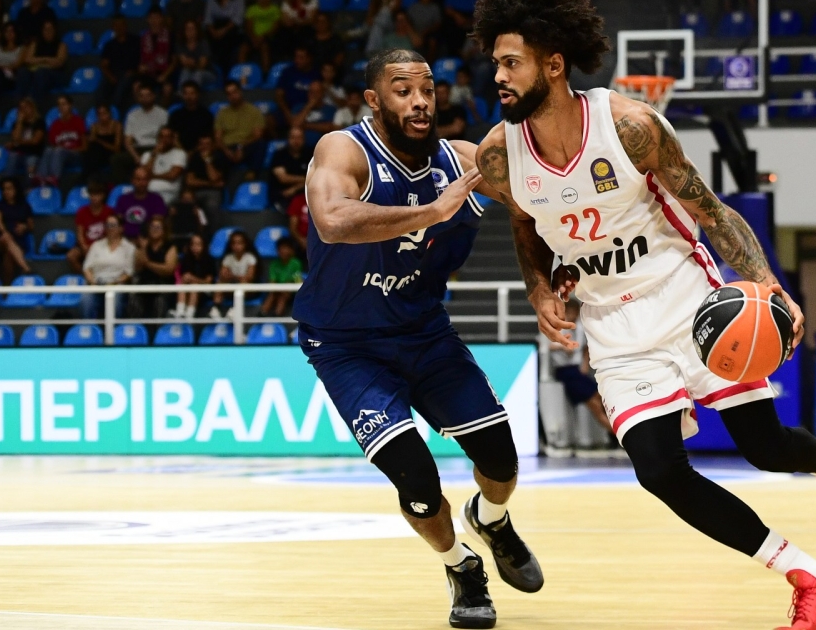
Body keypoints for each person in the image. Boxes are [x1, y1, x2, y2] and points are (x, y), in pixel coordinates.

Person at [471, 2, 816, 627]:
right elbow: (524, 224)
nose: (499, 76)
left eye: (511, 63)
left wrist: (768, 283)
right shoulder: (498, 154)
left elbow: (711, 211)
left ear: (554, 65)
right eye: (496, 64)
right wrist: (539, 287)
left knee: (765, 447)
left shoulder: (630, 127)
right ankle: (812, 577)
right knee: (659, 472)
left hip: (687, 297)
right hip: (612, 325)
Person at [294, 47, 542, 629]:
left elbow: (536, 205)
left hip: (424, 333)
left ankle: (492, 520)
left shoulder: (465, 160)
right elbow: (333, 221)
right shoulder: (343, 150)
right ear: (374, 100)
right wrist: (433, 211)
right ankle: (462, 567)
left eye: (428, 89)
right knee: (418, 483)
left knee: (501, 459)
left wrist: (542, 280)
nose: (420, 101)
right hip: (347, 346)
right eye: (403, 91)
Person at [549, 299, 615, 444]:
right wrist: (563, 346)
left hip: (577, 371)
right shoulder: (558, 327)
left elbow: (585, 348)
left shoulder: (579, 328)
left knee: (601, 398)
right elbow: (548, 345)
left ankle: (614, 433)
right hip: (566, 371)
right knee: (595, 405)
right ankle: (617, 435)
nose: (572, 315)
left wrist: (585, 365)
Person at [81, 215, 136, 319]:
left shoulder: (129, 247)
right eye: (108, 225)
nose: (110, 228)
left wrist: (113, 283)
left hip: (117, 284)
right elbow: (87, 268)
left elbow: (129, 273)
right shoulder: (96, 245)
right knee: (86, 298)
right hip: (96, 283)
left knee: (115, 299)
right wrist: (93, 282)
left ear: (121, 228)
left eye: (113, 225)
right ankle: (89, 327)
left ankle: (114, 327)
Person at [116, 84, 170, 183]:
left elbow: (164, 137)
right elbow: (127, 141)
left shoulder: (163, 114)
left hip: (154, 147)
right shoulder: (132, 115)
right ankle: (124, 186)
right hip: (138, 148)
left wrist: (155, 152)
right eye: (141, 96)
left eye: (148, 95)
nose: (145, 98)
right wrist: (136, 157)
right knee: (116, 159)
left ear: (154, 96)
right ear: (138, 98)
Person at [215, 81, 268, 175]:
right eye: (229, 94)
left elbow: (257, 135)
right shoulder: (222, 113)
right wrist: (226, 151)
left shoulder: (254, 111)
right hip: (228, 147)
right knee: (216, 154)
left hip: (246, 145)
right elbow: (218, 137)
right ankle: (222, 178)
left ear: (240, 91)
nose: (232, 96)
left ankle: (252, 173)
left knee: (260, 144)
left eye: (234, 92)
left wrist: (241, 147)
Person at [134, 214, 179, 319]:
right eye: (152, 227)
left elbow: (168, 270)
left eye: (158, 227)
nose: (154, 230)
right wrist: (143, 248)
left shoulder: (170, 247)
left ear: (164, 230)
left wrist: (148, 264)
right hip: (144, 284)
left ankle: (158, 328)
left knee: (160, 301)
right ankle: (135, 328)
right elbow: (138, 267)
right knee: (134, 300)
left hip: (163, 285)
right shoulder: (143, 246)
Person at [67, 180, 115, 274]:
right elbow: (80, 234)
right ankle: (86, 275)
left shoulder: (109, 212)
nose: (94, 198)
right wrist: (84, 247)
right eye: (92, 194)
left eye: (97, 195)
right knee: (71, 256)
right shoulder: (82, 211)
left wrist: (99, 247)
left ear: (103, 196)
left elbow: (111, 232)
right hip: (86, 245)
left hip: (103, 245)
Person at [36, 95, 86, 183]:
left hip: (75, 155)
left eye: (64, 104)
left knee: (59, 151)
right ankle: (41, 178)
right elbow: (52, 145)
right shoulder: (55, 124)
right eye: (59, 105)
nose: (61, 107)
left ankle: (54, 178)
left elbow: (85, 146)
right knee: (48, 150)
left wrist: (69, 150)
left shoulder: (79, 121)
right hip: (59, 155)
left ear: (70, 105)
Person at [15, 19, 65, 102]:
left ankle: (34, 103)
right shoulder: (35, 44)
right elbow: (28, 60)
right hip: (35, 71)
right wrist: (45, 59)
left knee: (41, 73)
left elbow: (59, 62)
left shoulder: (61, 45)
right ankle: (21, 102)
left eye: (50, 29)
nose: (48, 32)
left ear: (54, 30)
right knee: (23, 72)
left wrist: (39, 61)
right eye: (45, 29)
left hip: (54, 74)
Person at [99, 16, 142, 111]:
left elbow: (143, 60)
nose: (119, 28)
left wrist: (134, 71)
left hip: (131, 73)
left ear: (126, 26)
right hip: (114, 73)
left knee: (122, 86)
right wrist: (111, 77)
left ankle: (115, 111)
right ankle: (100, 112)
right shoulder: (109, 45)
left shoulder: (136, 41)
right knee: (102, 87)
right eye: (116, 25)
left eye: (121, 25)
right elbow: (104, 65)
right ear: (112, 28)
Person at [211, 230, 257, 318]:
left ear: (245, 244)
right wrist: (236, 277)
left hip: (248, 290)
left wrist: (232, 276)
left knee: (244, 283)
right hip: (232, 287)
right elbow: (223, 275)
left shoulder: (250, 258)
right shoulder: (228, 258)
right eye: (234, 243)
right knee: (220, 283)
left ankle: (234, 309)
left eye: (239, 243)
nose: (237, 246)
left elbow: (249, 277)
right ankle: (215, 308)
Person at [114, 167, 169, 240]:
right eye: (138, 179)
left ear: (149, 181)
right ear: (132, 180)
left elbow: (157, 225)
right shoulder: (123, 199)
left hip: (149, 240)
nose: (141, 183)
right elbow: (118, 223)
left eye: (144, 179)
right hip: (125, 240)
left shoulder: (157, 200)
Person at [0, 177, 34, 284]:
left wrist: (24, 227)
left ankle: (6, 288)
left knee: (9, 255)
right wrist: (5, 232)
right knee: (6, 238)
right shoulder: (0, 205)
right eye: (4, 189)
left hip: (18, 242)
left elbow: (31, 226)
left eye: (9, 188)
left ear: (15, 190)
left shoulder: (24, 206)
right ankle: (26, 268)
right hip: (0, 241)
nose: (6, 192)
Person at [172, 233, 216, 319]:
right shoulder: (186, 259)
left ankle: (189, 315)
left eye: (198, 244)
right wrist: (186, 279)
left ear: (204, 246)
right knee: (182, 285)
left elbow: (208, 281)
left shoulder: (209, 260)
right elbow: (183, 277)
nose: (195, 247)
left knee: (194, 286)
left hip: (205, 291)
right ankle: (180, 312)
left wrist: (194, 279)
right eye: (193, 244)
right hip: (187, 289)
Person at [185, 135, 228, 221]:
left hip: (213, 192)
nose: (204, 147)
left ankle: (214, 230)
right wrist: (211, 184)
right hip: (196, 192)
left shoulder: (220, 157)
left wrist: (207, 160)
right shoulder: (195, 158)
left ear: (213, 145)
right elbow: (190, 181)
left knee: (211, 206)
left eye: (207, 144)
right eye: (202, 144)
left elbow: (214, 178)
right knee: (185, 204)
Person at [140, 127, 188, 204]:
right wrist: (154, 155)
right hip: (145, 192)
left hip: (167, 192)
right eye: (161, 136)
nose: (164, 139)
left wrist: (153, 176)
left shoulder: (179, 154)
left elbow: (172, 175)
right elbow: (143, 175)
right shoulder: (147, 155)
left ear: (172, 139)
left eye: (167, 136)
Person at [138, 8, 176, 103]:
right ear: (148, 20)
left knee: (167, 89)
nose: (154, 21)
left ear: (162, 19)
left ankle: (162, 110)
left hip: (165, 71)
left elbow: (174, 61)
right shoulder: (144, 37)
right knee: (136, 86)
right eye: (152, 18)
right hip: (148, 72)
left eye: (157, 18)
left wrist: (165, 75)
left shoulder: (170, 36)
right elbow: (140, 60)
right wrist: (141, 67)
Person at [271, 127, 312, 209]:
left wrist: (295, 188)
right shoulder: (279, 155)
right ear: (287, 139)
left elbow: (316, 178)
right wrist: (306, 179)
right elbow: (283, 178)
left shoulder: (310, 154)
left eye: (299, 138)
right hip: (284, 195)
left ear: (304, 139)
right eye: (293, 137)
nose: (296, 141)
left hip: (305, 194)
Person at [275, 46, 319, 123]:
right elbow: (279, 95)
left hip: (308, 110)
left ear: (309, 59)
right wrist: (287, 114)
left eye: (301, 58)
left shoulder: (316, 74)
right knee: (270, 119)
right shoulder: (288, 72)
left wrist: (304, 111)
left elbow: (317, 97)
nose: (297, 60)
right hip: (287, 109)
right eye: (296, 57)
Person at [169, 81, 216, 154]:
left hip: (201, 151)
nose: (189, 97)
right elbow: (173, 136)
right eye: (186, 93)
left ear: (198, 94)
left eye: (192, 93)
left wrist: (192, 153)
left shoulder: (206, 115)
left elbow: (208, 138)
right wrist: (183, 153)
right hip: (178, 151)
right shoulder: (176, 115)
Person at [4, 98, 45, 179]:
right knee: (12, 156)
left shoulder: (39, 122)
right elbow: (15, 138)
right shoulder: (16, 124)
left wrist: (18, 142)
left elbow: (35, 141)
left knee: (30, 161)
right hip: (20, 154)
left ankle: (30, 182)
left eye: (25, 107)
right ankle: (8, 181)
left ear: (31, 108)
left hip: (33, 153)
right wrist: (19, 121)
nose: (23, 110)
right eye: (21, 108)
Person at [261, 236, 303, 316]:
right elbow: (272, 280)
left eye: (286, 248)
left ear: (292, 250)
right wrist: (275, 287)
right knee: (272, 294)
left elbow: (296, 279)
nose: (283, 251)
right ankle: (262, 313)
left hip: (290, 291)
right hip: (277, 289)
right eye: (281, 248)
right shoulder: (274, 264)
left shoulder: (296, 263)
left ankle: (277, 315)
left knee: (283, 295)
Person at [82, 104, 123, 181]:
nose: (102, 116)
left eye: (104, 113)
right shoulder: (94, 126)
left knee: (95, 152)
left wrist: (98, 140)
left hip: (110, 153)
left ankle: (86, 179)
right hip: (96, 155)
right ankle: (92, 179)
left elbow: (117, 148)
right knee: (92, 151)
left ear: (109, 114)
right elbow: (91, 143)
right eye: (99, 114)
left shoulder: (117, 126)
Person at [204, 0, 246, 74]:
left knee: (228, 40)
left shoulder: (239, 1)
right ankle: (213, 70)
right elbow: (208, 19)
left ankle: (227, 72)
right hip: (215, 29)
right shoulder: (211, 1)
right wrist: (213, 31)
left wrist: (223, 31)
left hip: (231, 29)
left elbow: (238, 19)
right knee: (207, 38)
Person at [174, 22, 216, 94]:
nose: (190, 31)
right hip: (189, 71)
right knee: (185, 71)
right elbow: (183, 62)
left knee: (197, 73)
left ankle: (193, 94)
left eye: (192, 29)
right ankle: (181, 93)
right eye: (187, 29)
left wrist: (193, 63)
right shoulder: (180, 44)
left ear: (197, 30)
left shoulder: (203, 44)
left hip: (207, 73)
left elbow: (202, 65)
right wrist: (191, 63)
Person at [244, 0, 282, 71]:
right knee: (243, 49)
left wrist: (263, 37)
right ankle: (240, 71)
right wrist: (254, 38)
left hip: (268, 36)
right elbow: (248, 27)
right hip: (253, 37)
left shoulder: (275, 9)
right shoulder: (252, 9)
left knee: (264, 47)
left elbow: (276, 27)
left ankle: (265, 72)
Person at [0, 23, 24, 94]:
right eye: (6, 31)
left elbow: (17, 65)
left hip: (10, 75)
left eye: (11, 31)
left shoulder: (21, 49)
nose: (9, 33)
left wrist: (2, 67)